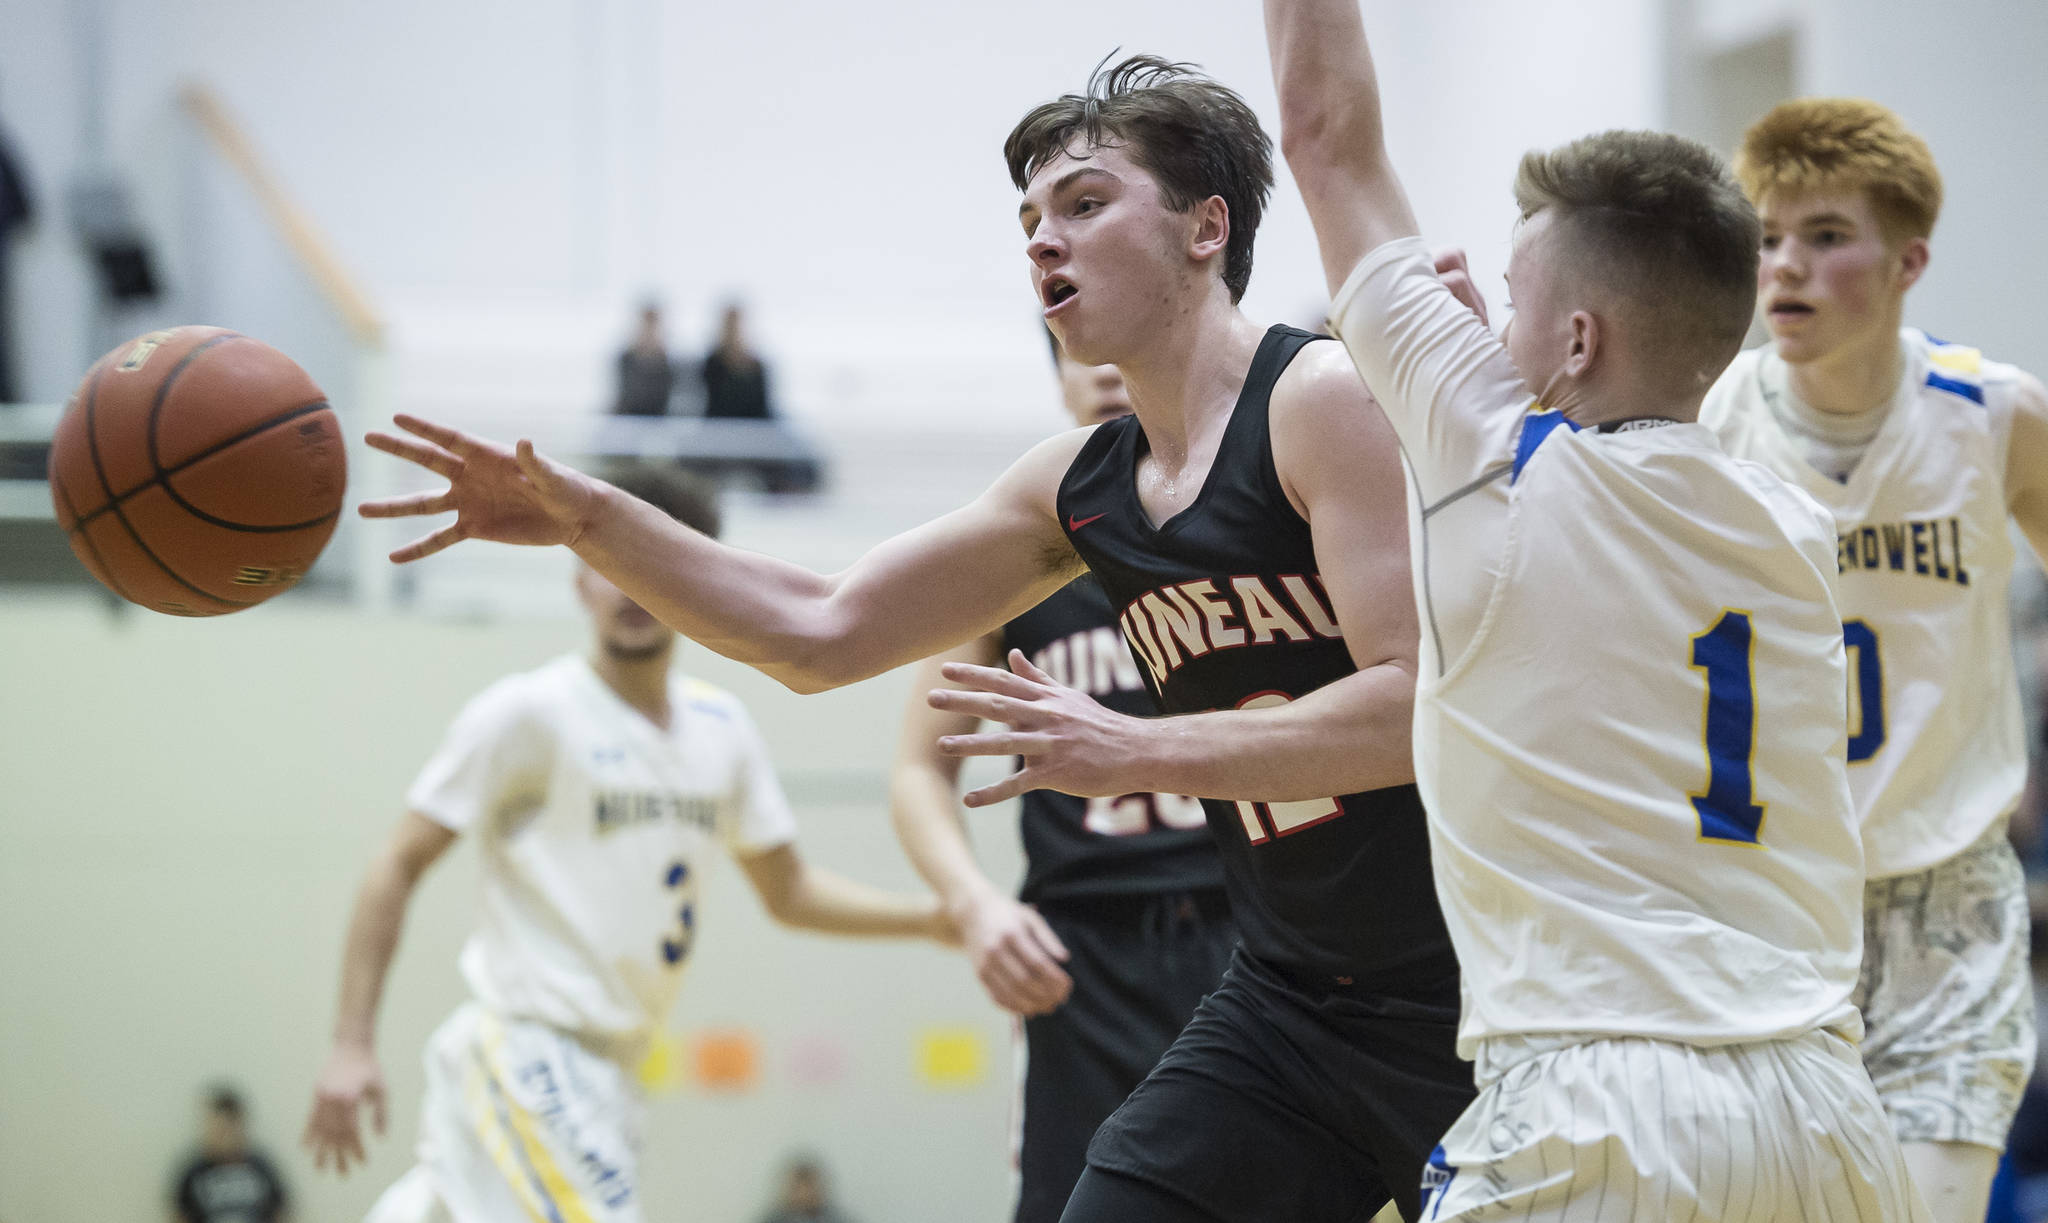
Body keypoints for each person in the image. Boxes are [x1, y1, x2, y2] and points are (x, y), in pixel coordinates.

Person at [359, 54, 1477, 1223]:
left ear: (1207, 228)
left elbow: (1411, 705)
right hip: (1285, 1003)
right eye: (1030, 220)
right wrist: (587, 517)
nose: (1044, 242)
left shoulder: (1319, 402)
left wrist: (1140, 749)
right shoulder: (1076, 487)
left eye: (1085, 205)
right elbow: (818, 631)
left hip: (1463, 990)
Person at [1266, 0, 1937, 1217]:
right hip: (1826, 1111)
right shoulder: (1787, 521)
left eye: (1512, 296)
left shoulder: (1492, 457)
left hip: (1599, 1105)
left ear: (1574, 338)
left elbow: (1325, 139)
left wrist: (1452, 372)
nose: (1491, 321)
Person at [302, 466, 952, 1223]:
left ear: (699, 585)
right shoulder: (530, 714)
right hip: (527, 1052)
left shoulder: (723, 731)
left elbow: (789, 891)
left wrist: (934, 917)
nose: (628, 590)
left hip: (615, 1071)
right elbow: (396, 861)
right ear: (580, 581)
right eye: (609, 566)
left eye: (652, 569)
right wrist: (351, 1042)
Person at [1698, 96, 2048, 1222]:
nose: (1784, 265)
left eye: (1823, 236)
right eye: (1766, 238)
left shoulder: (1990, 415)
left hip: (1949, 898)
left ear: (1907, 262)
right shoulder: (1704, 426)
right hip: (1766, 899)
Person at [890, 330, 1234, 1223]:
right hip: (1082, 953)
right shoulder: (1012, 563)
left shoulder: (1242, 532)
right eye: (1097, 351)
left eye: (1139, 343)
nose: (1118, 370)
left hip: (1249, 934)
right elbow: (918, 768)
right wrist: (973, 903)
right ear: (1063, 375)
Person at [171, 1086, 291, 1223]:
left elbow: (280, 1211)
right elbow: (180, 1215)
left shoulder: (261, 1168)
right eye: (218, 1129)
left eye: (229, 1129)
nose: (225, 1137)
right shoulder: (194, 1172)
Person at [701, 301, 774, 421]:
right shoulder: (712, 363)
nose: (734, 330)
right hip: (720, 426)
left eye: (737, 324)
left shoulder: (756, 364)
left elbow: (762, 406)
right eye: (730, 324)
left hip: (753, 428)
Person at [613, 301, 676, 417]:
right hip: (629, 419)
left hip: (658, 420)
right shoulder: (626, 359)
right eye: (646, 324)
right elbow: (628, 396)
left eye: (653, 325)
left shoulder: (667, 361)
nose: (649, 330)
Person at [756, 1154, 856, 1223]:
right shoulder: (771, 1220)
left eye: (810, 1186)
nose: (805, 1194)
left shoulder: (837, 1219)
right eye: (799, 1188)